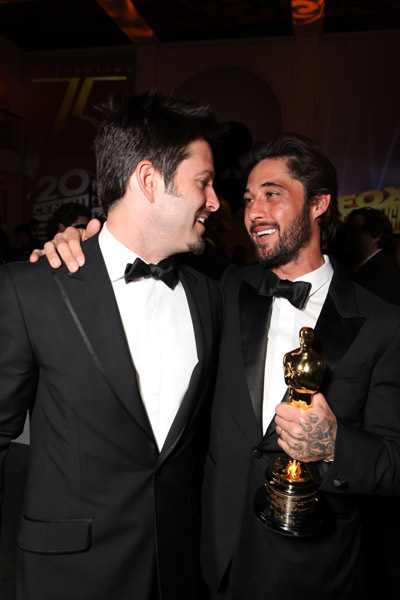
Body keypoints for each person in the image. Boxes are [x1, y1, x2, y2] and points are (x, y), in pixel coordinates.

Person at [33, 133, 400, 599]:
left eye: (273, 194)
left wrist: (333, 446)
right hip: (211, 560)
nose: (253, 212)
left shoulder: (384, 323)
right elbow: (137, 252)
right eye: (248, 199)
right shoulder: (225, 289)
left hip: (315, 570)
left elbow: (393, 461)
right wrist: (79, 241)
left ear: (319, 203)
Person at [1, 90, 224, 600]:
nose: (214, 201)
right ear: (148, 180)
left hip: (179, 572)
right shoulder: (34, 286)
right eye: (203, 182)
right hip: (70, 576)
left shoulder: (212, 297)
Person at [346, 206, 400, 305]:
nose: (348, 235)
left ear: (376, 234)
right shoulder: (360, 266)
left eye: (355, 230)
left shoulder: (384, 271)